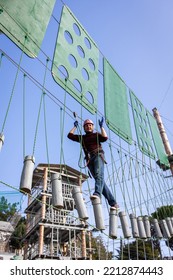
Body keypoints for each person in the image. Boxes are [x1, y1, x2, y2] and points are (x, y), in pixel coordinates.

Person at [67, 117, 119, 211]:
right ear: (84, 128)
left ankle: (97, 194)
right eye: (86, 126)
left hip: (98, 155)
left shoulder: (96, 135)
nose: (88, 127)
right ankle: (113, 202)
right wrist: (74, 127)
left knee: (99, 176)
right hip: (89, 160)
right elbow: (70, 136)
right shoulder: (82, 138)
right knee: (100, 181)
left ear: (93, 127)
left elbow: (105, 138)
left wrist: (102, 127)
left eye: (90, 125)